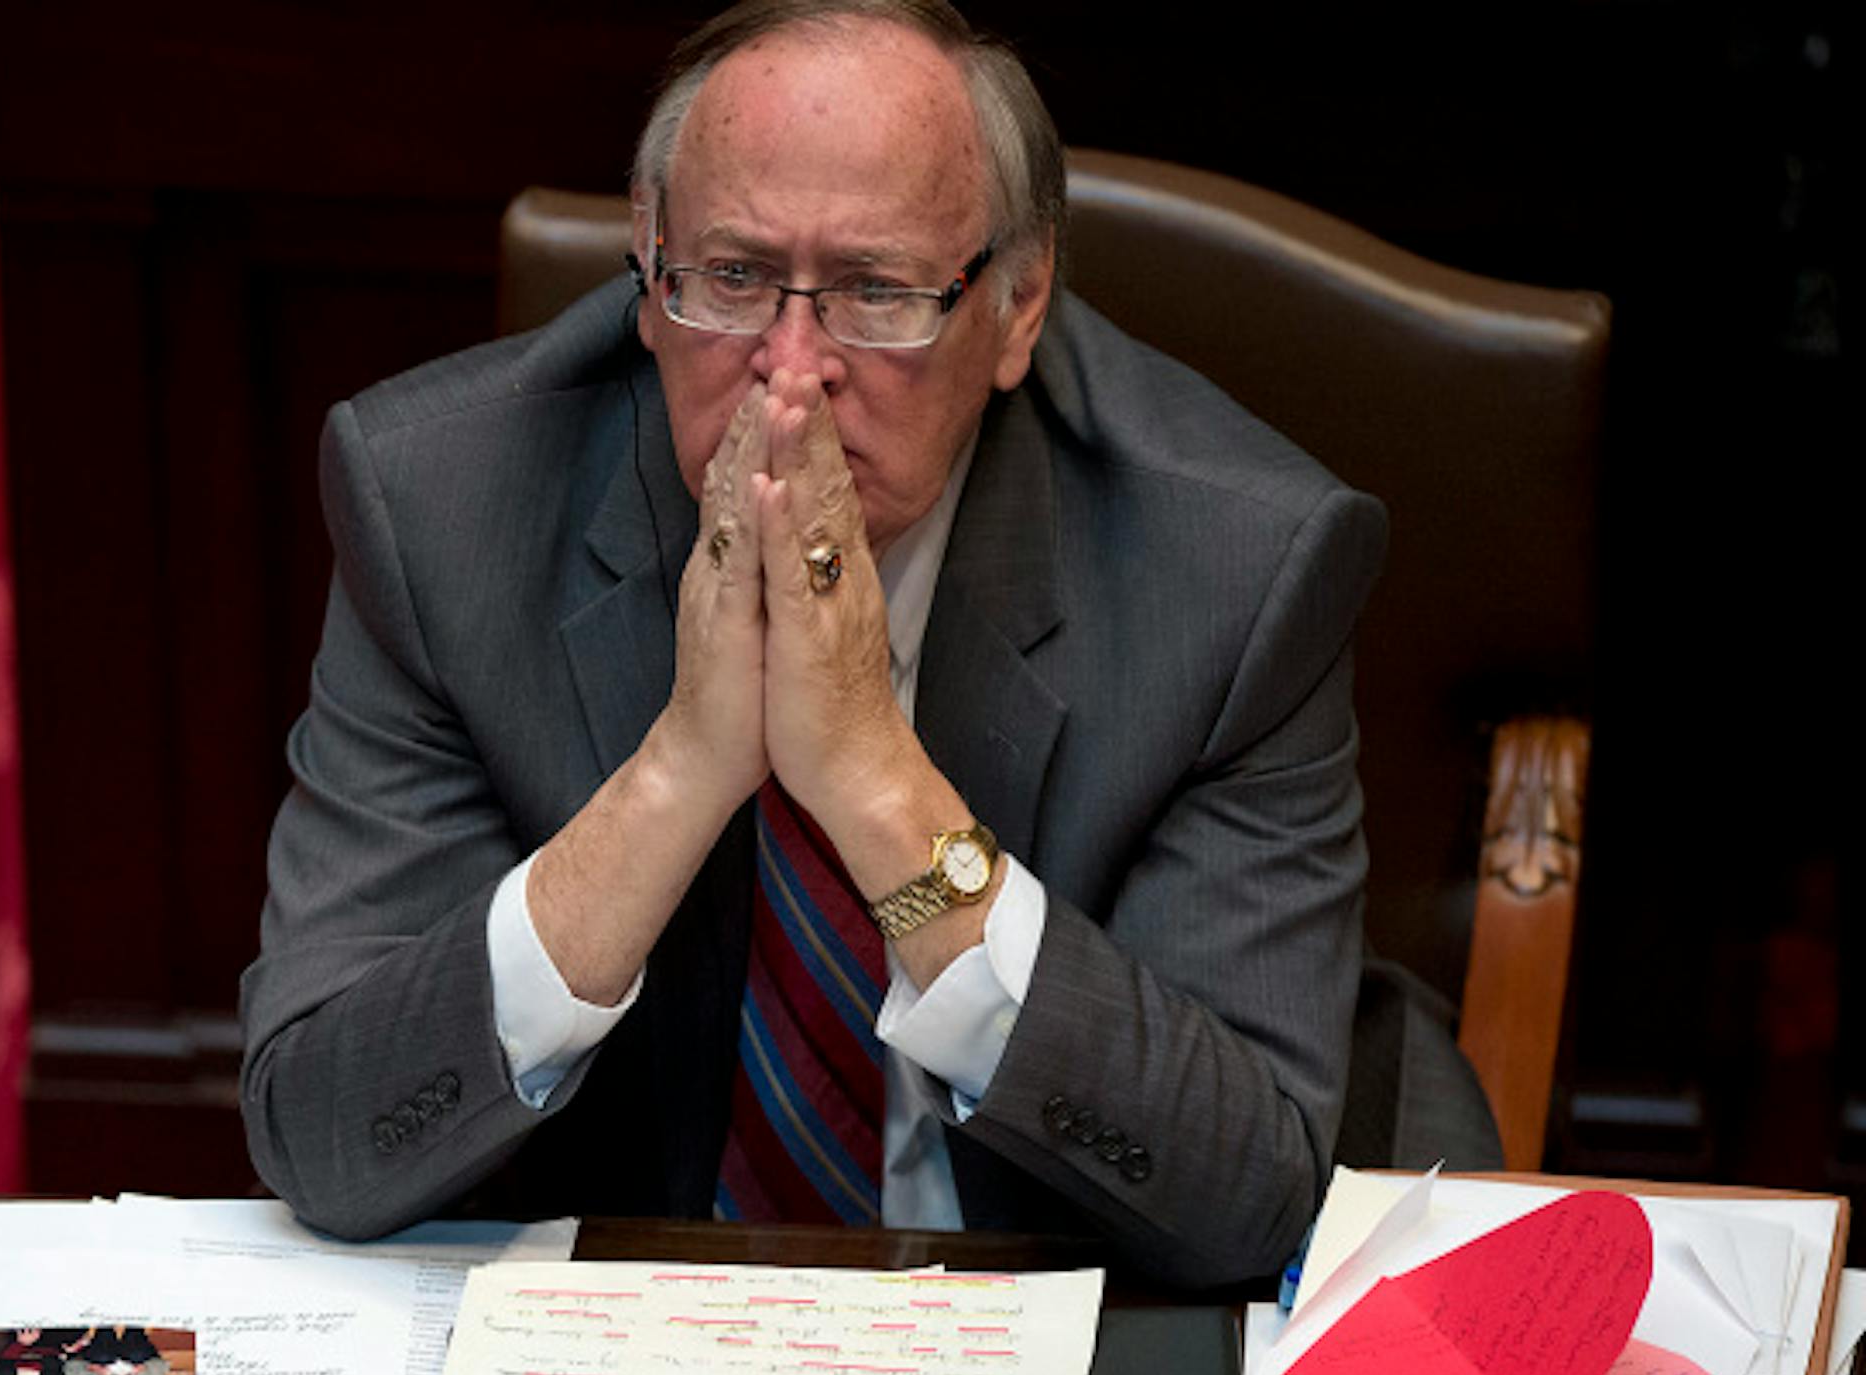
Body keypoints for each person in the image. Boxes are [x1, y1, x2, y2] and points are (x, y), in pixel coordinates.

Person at [243, 0, 1392, 1286]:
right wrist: (676, 774)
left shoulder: (1236, 570)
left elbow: (1245, 1202)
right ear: (649, 266)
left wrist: (872, 777)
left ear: (1018, 306)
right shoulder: (443, 506)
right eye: (733, 279)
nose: (790, 370)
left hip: (1039, 1310)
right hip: (614, 1337)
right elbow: (325, 1138)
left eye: (876, 292)